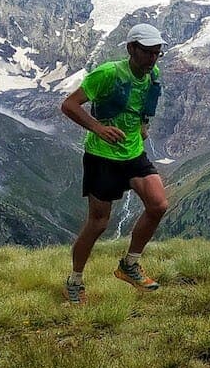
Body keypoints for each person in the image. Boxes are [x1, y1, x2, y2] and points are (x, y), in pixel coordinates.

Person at [60, 23, 169, 305]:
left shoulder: (152, 74)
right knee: (98, 223)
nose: (153, 59)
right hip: (101, 156)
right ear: (132, 48)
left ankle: (129, 264)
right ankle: (75, 280)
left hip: (132, 153)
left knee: (158, 205)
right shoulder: (107, 74)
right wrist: (98, 129)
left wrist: (143, 124)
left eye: (157, 53)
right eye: (147, 53)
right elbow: (69, 105)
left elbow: (145, 104)